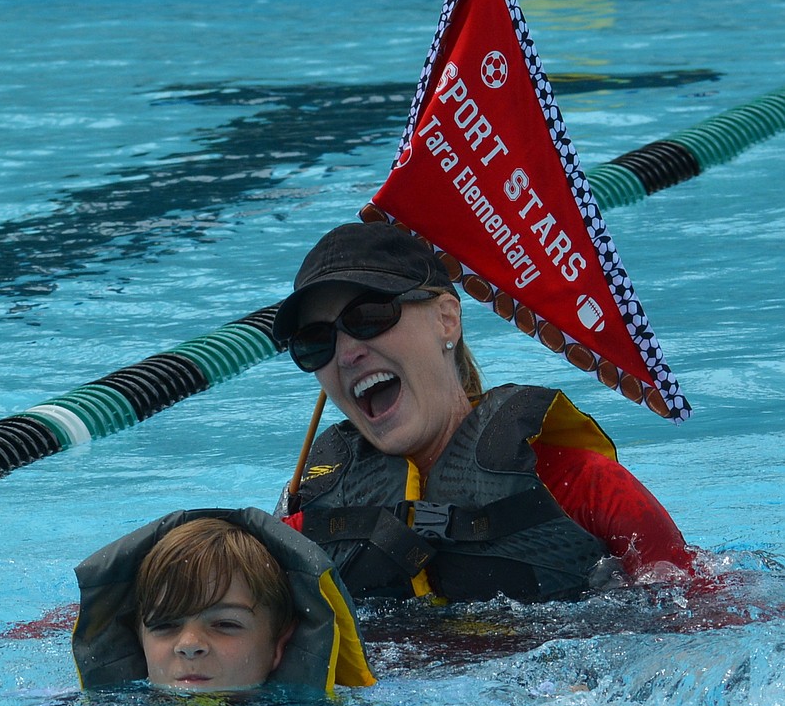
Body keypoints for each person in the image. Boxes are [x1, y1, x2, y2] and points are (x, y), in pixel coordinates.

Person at [271, 221, 697, 604]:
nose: (347, 353)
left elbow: (698, 615)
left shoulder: (580, 487)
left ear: (446, 319)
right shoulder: (303, 528)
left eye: (369, 316)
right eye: (316, 341)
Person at [71, 507, 376, 693]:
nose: (189, 644)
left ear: (279, 645)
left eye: (225, 624)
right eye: (164, 625)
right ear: (139, 640)